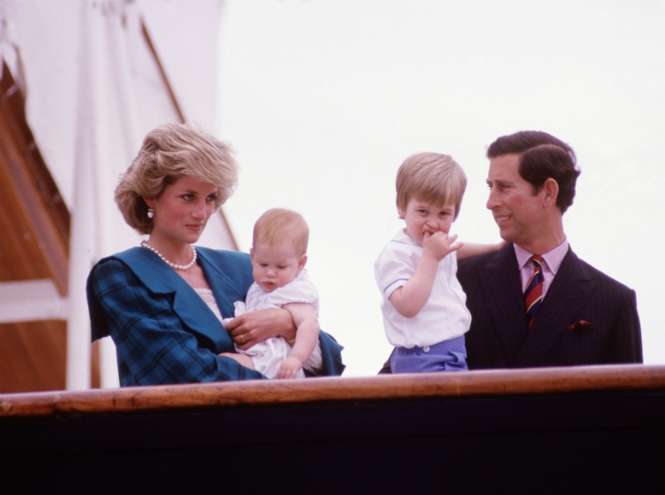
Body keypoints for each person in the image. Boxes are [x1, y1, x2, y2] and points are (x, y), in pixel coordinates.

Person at [86, 123, 344, 386]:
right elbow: (185, 375)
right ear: (151, 196)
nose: (202, 213)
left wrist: (287, 326)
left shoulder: (246, 267)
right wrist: (279, 381)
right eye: (188, 197)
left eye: (210, 198)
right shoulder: (121, 274)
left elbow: (331, 362)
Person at [458, 130, 642, 368]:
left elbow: (630, 393)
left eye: (503, 187)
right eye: (490, 187)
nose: (490, 202)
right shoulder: (458, 281)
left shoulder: (613, 303)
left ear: (548, 192)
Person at [375, 152, 501, 373]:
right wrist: (430, 258)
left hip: (453, 351)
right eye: (423, 212)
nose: (433, 223)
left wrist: (495, 248)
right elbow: (407, 305)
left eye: (443, 214)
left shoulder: (434, 247)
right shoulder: (395, 254)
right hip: (423, 358)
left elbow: (456, 250)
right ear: (402, 207)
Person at [221, 208, 320, 379]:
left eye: (281, 266)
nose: (270, 273)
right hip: (259, 352)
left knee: (225, 363)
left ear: (301, 263)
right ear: (252, 256)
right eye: (263, 264)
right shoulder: (257, 287)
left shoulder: (293, 291)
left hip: (279, 361)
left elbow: (309, 325)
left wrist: (296, 358)